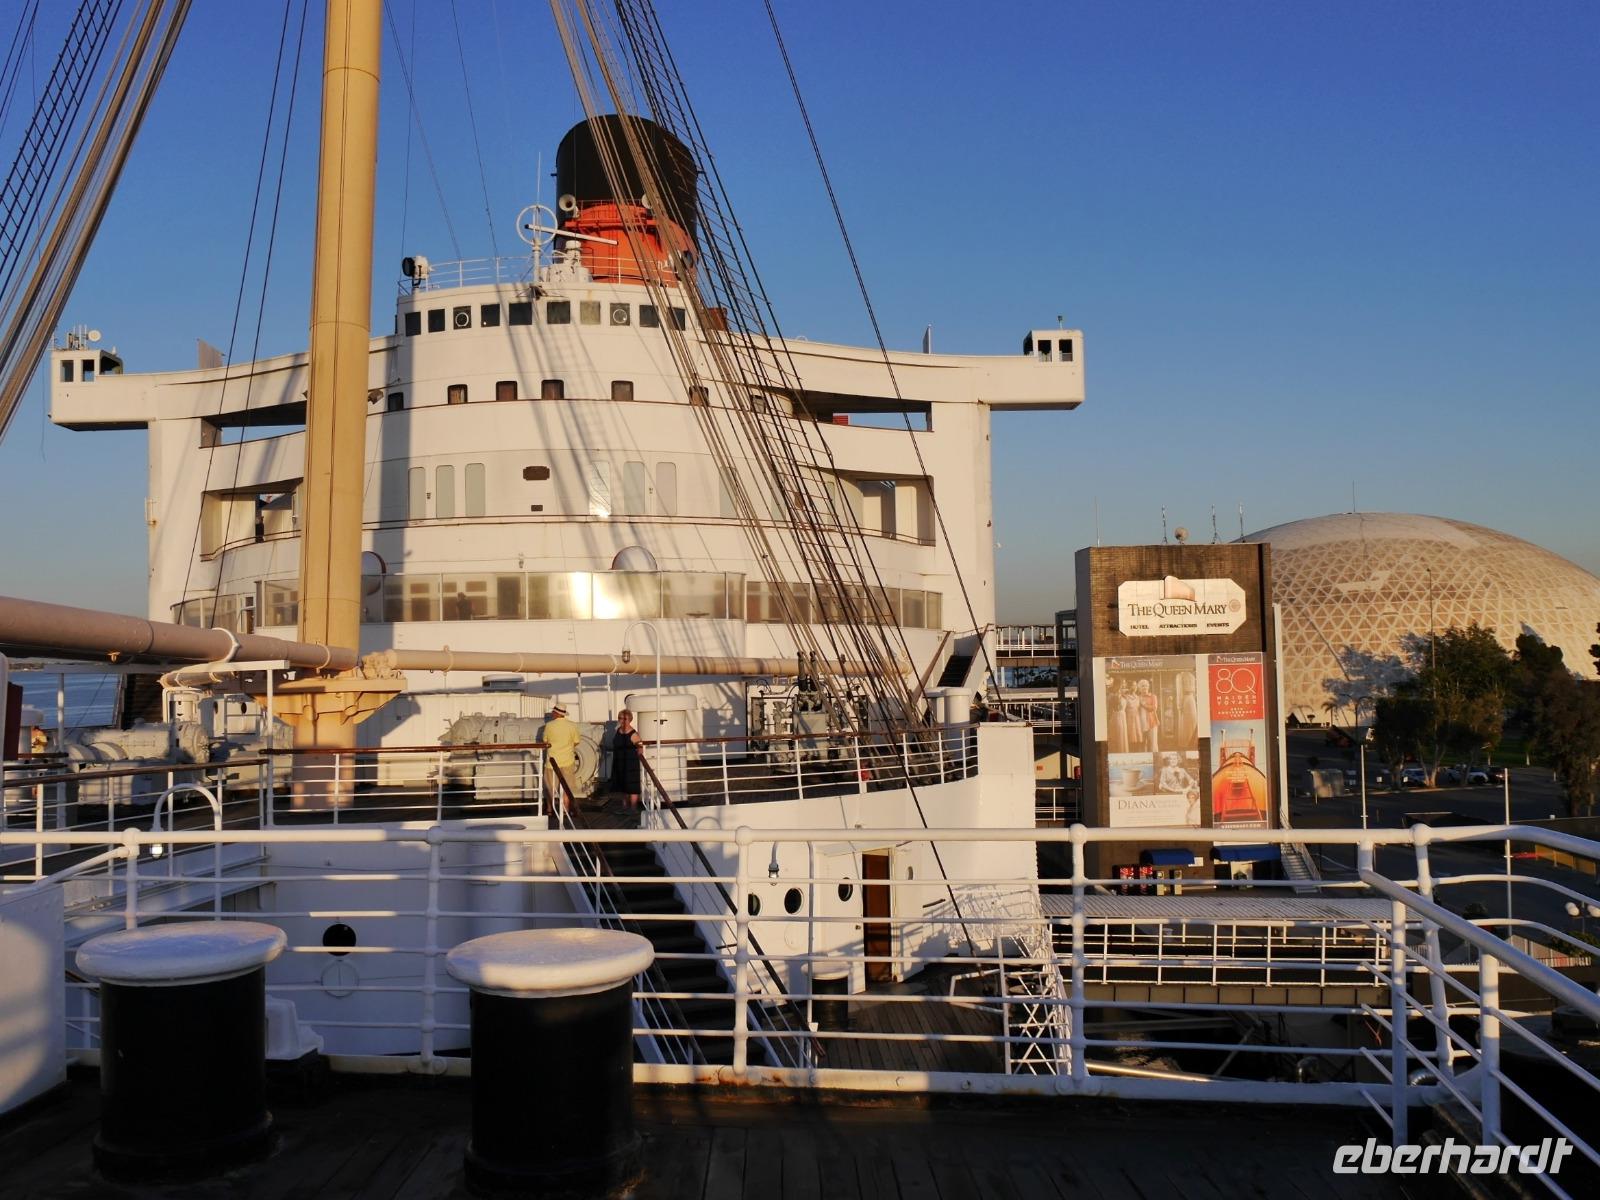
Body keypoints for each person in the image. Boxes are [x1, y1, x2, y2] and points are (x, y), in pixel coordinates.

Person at [539, 702, 581, 815]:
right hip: (567, 760)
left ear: (556, 713)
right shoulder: (572, 725)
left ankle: (549, 809)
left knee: (550, 786)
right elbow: (576, 741)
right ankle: (565, 809)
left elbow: (545, 741)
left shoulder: (549, 726)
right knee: (566, 786)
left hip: (551, 761)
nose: (552, 713)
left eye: (553, 711)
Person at [608, 709, 645, 811]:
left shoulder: (633, 734)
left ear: (630, 720)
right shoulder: (618, 731)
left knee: (632, 786)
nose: (622, 721)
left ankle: (633, 809)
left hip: (630, 764)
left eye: (625, 719)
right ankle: (624, 807)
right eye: (620, 718)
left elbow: (640, 748)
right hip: (619, 762)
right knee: (622, 785)